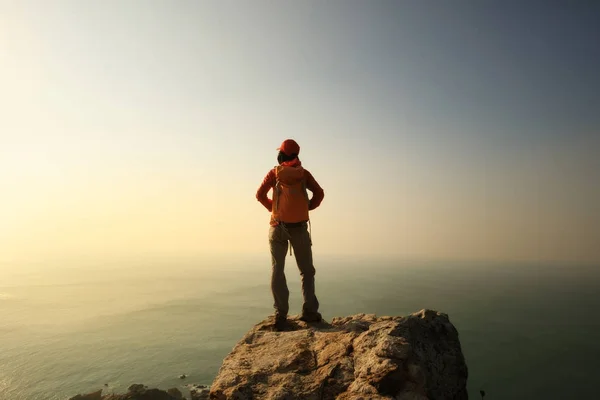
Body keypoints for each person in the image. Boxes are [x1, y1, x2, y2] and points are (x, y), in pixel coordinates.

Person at [256, 139, 325, 330]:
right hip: (299, 228)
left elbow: (259, 195)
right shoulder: (304, 174)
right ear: (296, 155)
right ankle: (310, 312)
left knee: (278, 270)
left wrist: (274, 209)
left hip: (277, 226)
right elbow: (319, 193)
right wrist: (307, 207)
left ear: (281, 155)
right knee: (307, 271)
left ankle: (281, 315)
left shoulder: (274, 173)